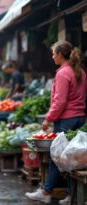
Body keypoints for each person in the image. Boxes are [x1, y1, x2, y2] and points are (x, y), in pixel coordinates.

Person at [25, 40, 87, 205]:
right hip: (80, 118)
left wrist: (48, 118)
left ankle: (46, 191)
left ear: (60, 54)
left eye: (54, 54)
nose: (52, 57)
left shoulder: (63, 73)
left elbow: (60, 102)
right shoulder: (80, 71)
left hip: (66, 119)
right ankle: (70, 195)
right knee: (74, 158)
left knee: (57, 156)